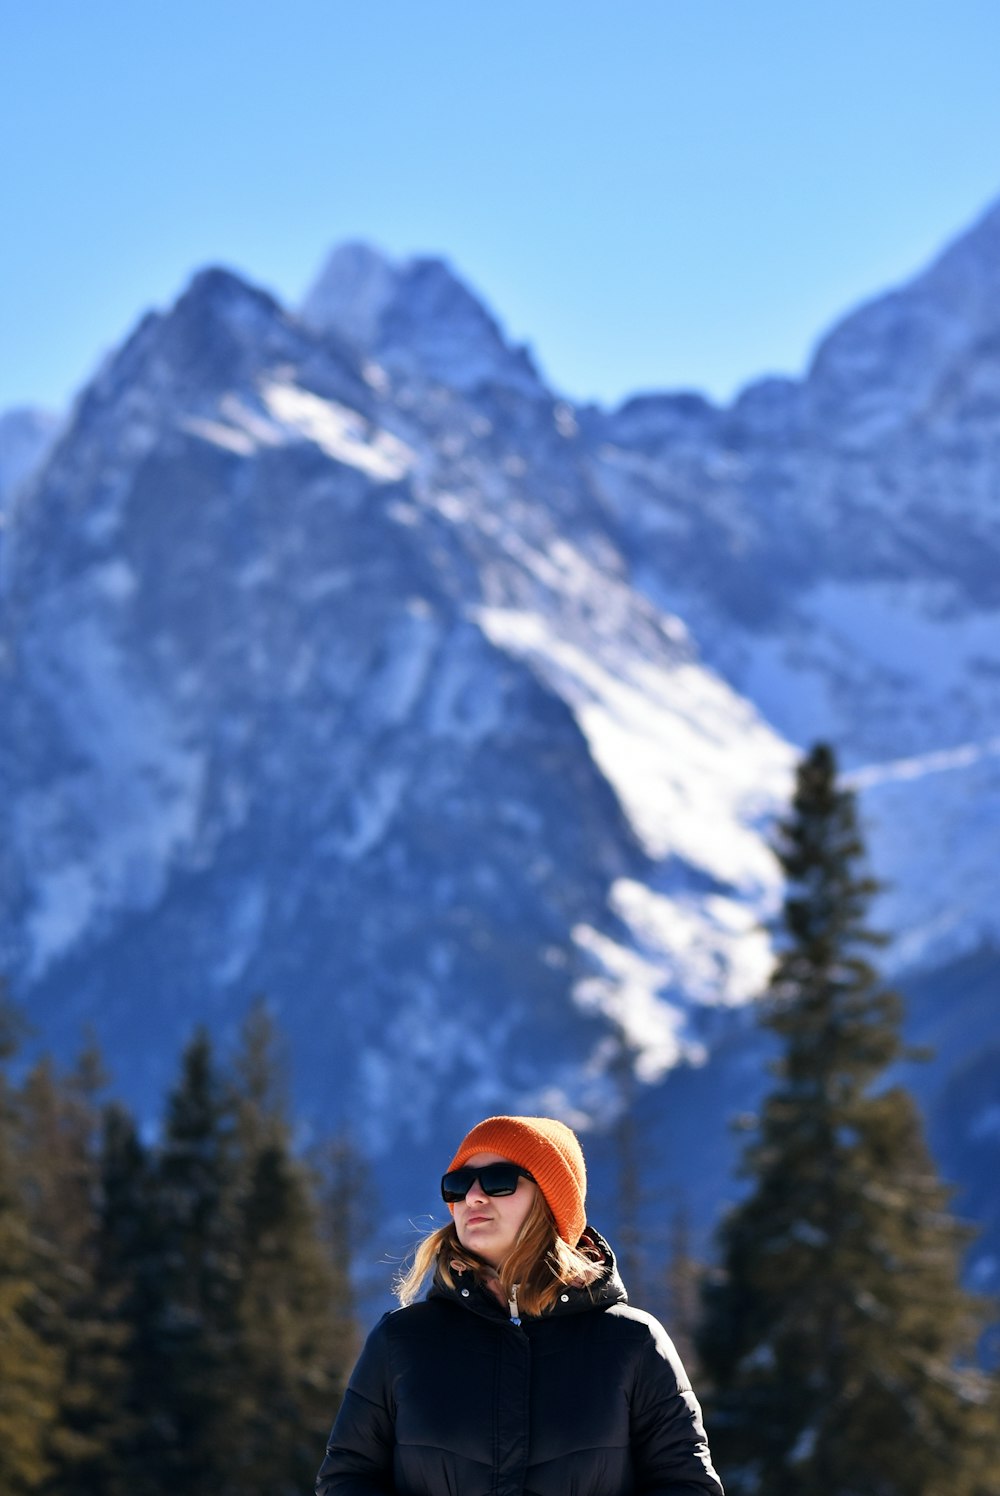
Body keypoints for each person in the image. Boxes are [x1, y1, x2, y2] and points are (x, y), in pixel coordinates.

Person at [316, 1114, 724, 1496]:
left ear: (550, 1201)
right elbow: (347, 1478)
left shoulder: (633, 1342)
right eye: (459, 1184)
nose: (474, 1196)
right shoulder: (401, 1340)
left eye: (498, 1180)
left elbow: (686, 1484)